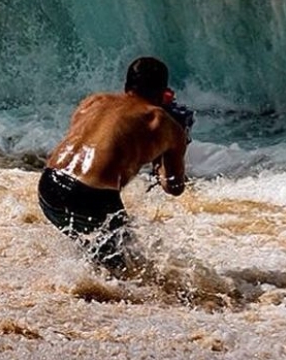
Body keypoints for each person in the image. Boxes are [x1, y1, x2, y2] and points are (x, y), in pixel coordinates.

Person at [38, 56, 194, 275]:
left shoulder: (95, 101)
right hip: (91, 198)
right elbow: (174, 187)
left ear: (127, 85)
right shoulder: (162, 122)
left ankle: (78, 281)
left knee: (99, 251)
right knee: (127, 269)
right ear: (164, 93)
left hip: (48, 188)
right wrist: (170, 150)